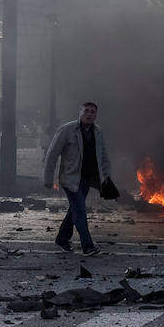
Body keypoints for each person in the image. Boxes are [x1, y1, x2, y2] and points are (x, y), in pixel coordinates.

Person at [42, 101, 111, 255]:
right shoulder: (67, 130)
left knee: (75, 208)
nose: (89, 114)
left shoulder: (98, 132)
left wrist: (106, 175)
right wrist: (48, 178)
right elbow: (52, 153)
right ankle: (87, 246)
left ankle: (62, 238)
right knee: (80, 210)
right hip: (70, 178)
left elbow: (103, 155)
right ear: (80, 113)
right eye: (86, 111)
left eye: (92, 112)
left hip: (86, 179)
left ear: (96, 115)